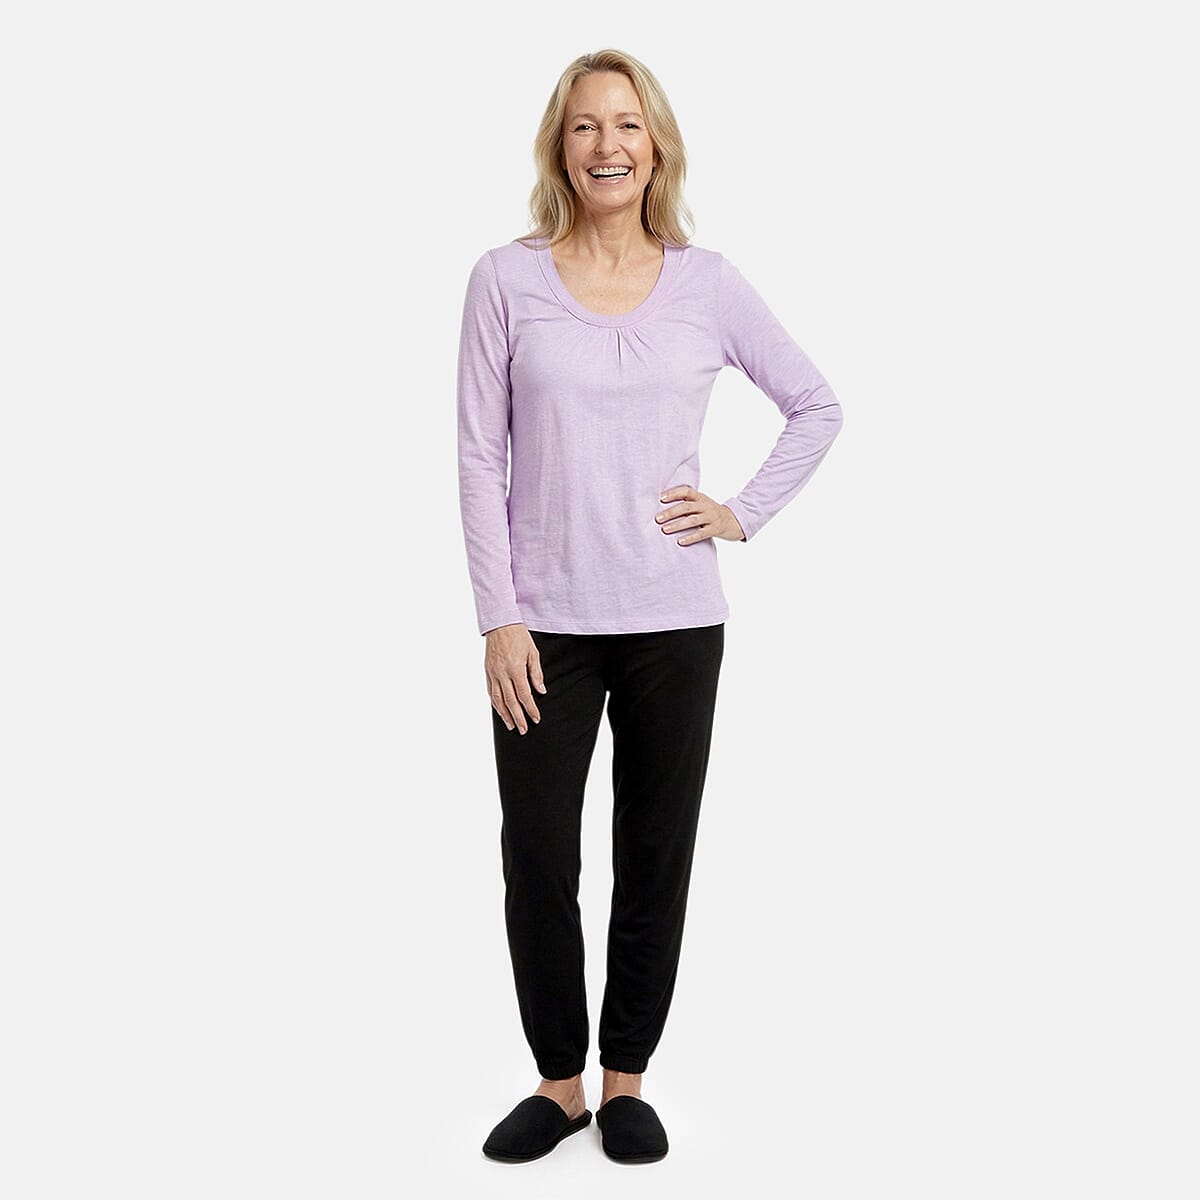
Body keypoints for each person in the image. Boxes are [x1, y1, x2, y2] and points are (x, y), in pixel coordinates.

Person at [456, 48, 843, 1165]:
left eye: (627, 124)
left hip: (675, 620)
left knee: (654, 852)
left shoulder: (708, 284)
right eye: (585, 126)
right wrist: (498, 617)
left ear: (657, 146)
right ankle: (559, 1083)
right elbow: (478, 457)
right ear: (559, 147)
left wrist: (739, 513)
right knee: (538, 855)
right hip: (544, 626)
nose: (607, 145)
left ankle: (625, 1078)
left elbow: (816, 405)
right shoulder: (504, 280)